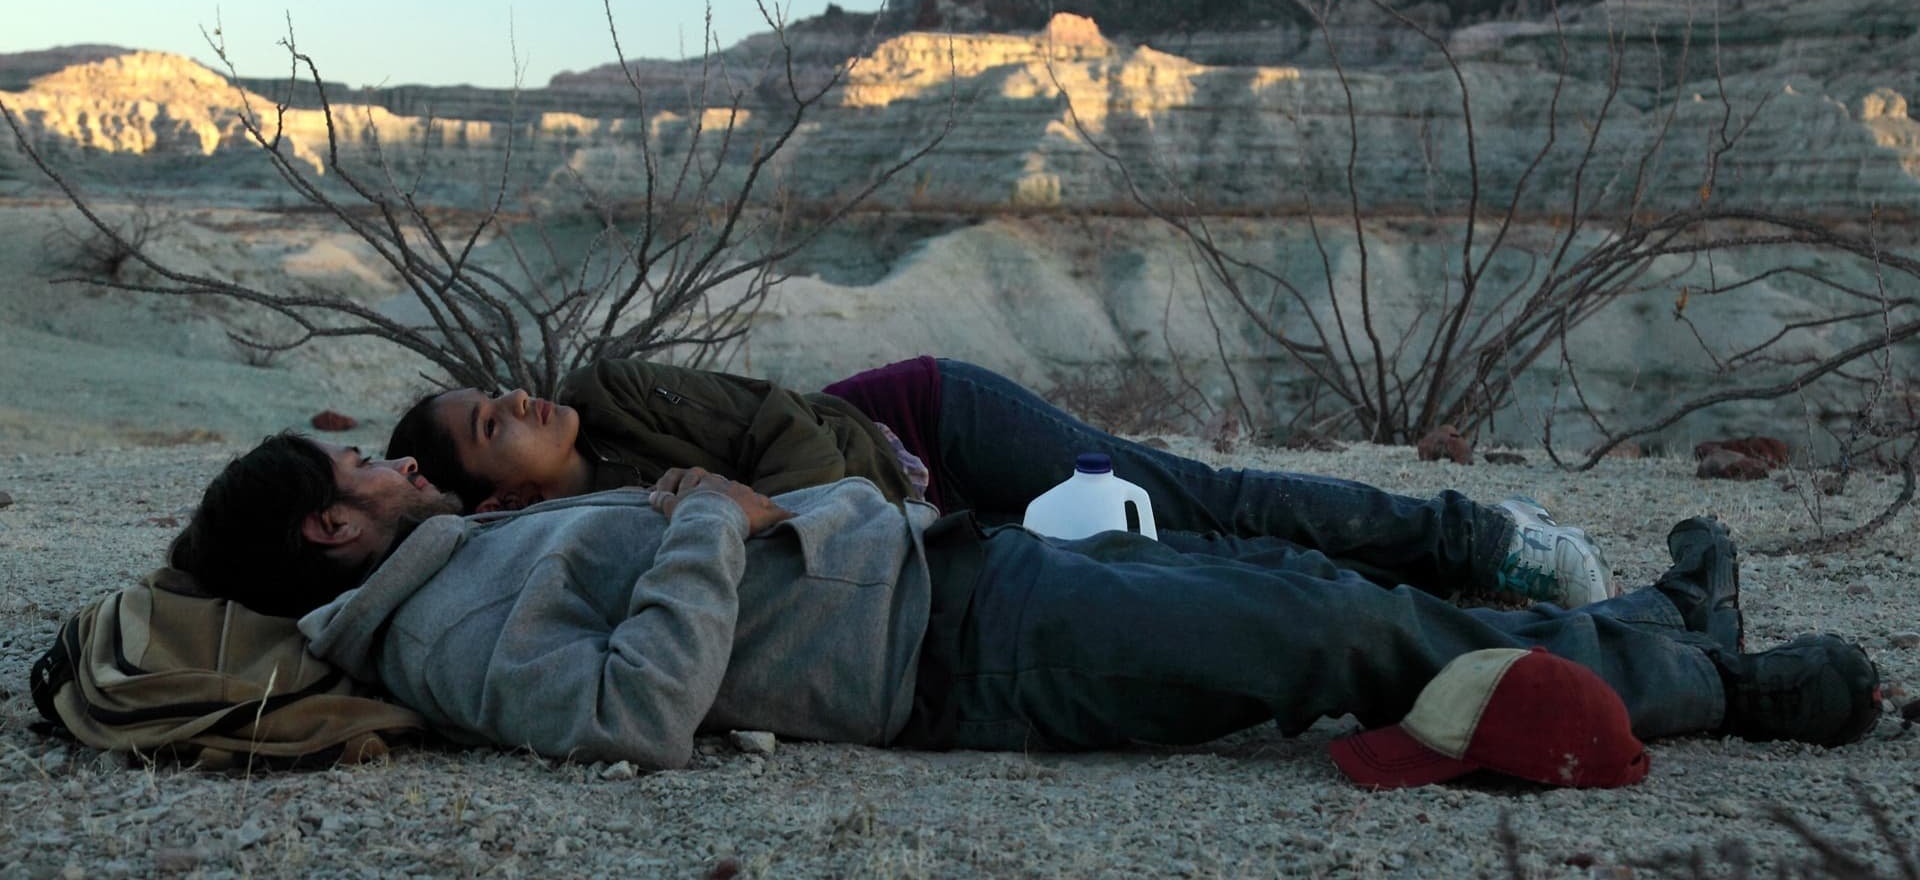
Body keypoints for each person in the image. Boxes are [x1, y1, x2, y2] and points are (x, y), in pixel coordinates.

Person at [170, 432, 1882, 770]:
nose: (395, 458)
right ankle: (1725, 691)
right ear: (332, 535)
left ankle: (1665, 632)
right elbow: (623, 716)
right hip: (962, 655)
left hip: (957, 574)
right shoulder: (444, 632)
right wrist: (707, 522)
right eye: (363, 468)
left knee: (1308, 577)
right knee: (1334, 645)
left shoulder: (457, 560)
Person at [385, 356, 1617, 608]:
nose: (523, 403)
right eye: (495, 425)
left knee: (1191, 499)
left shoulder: (617, 391)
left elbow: (780, 420)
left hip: (933, 424)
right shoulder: (575, 530)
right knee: (1173, 568)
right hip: (924, 526)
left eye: (501, 392)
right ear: (491, 498)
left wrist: (815, 512)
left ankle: (1480, 538)